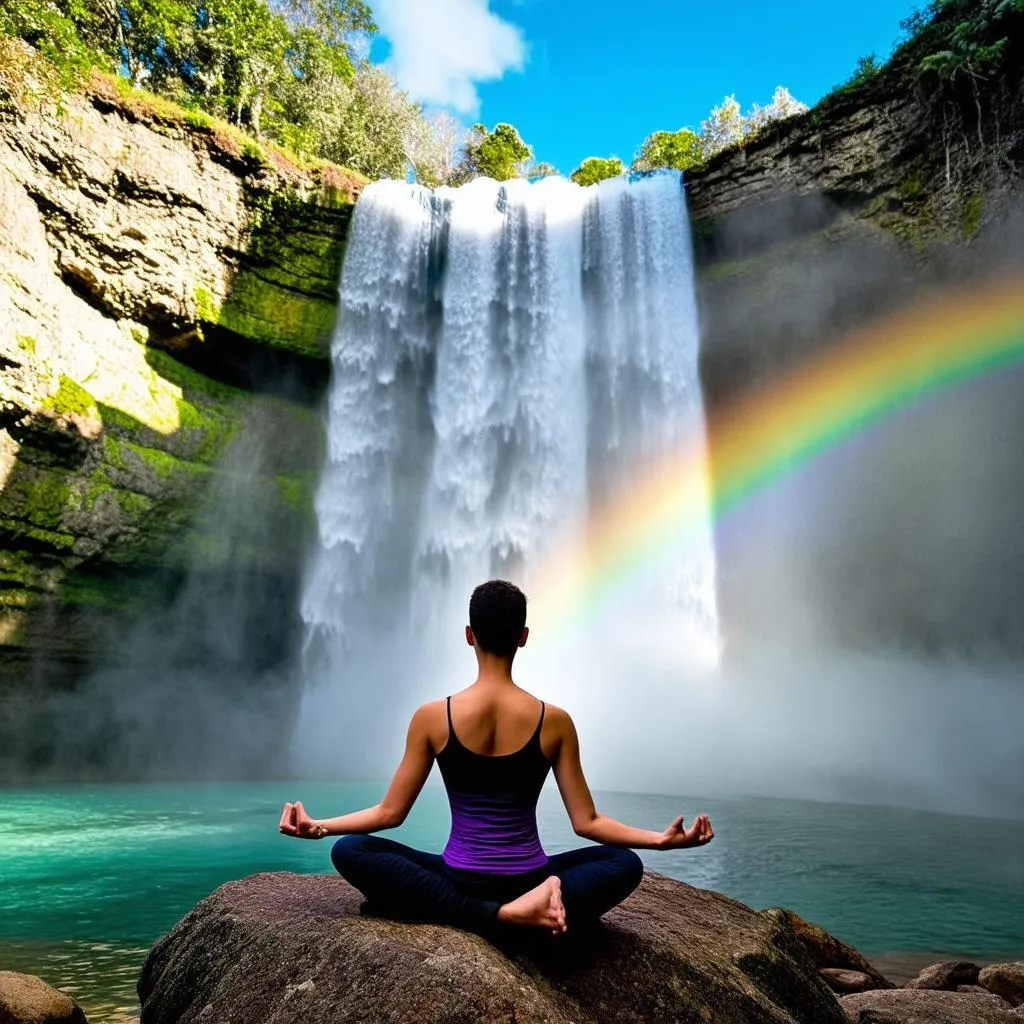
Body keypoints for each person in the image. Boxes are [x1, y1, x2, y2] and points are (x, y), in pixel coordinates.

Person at [279, 579, 714, 938]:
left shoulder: (433, 718)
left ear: (469, 634)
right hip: (532, 878)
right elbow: (588, 823)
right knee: (623, 863)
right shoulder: (554, 721)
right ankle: (525, 908)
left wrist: (320, 827)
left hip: (456, 880)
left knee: (351, 850)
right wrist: (659, 840)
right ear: (523, 638)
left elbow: (391, 814)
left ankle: (482, 914)